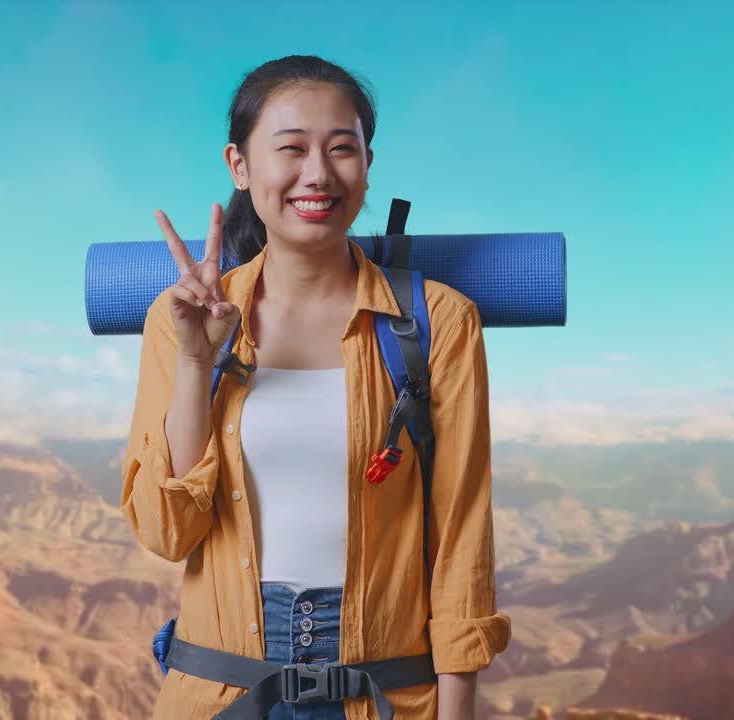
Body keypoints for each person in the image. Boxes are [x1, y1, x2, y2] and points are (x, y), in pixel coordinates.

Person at [121, 54, 510, 720]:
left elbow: (461, 536)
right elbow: (167, 534)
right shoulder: (179, 318)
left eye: (341, 149)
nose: (318, 174)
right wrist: (194, 363)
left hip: (388, 694)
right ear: (240, 166)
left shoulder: (437, 321)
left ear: (366, 161)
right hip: (222, 696)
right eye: (291, 149)